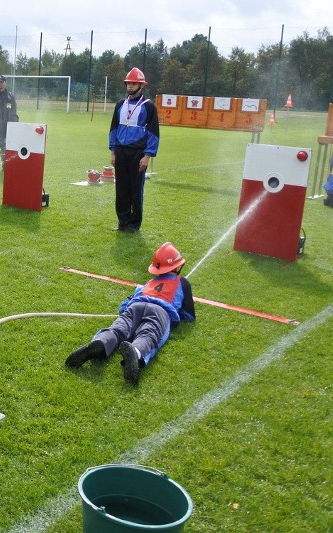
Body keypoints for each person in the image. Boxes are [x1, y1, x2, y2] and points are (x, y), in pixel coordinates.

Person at [65, 242, 195, 385]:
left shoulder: (148, 283)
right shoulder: (182, 282)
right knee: (149, 335)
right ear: (176, 266)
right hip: (160, 312)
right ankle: (136, 351)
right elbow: (189, 315)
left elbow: (124, 306)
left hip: (136, 306)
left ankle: (101, 342)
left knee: (118, 329)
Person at [108, 67, 160, 233]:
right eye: (128, 82)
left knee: (136, 190)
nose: (130, 86)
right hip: (121, 152)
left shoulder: (149, 106)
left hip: (138, 153)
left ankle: (134, 224)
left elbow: (153, 133)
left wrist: (147, 156)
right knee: (121, 189)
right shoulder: (120, 105)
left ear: (141, 85)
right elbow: (113, 129)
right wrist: (113, 151)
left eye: (134, 83)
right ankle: (123, 222)